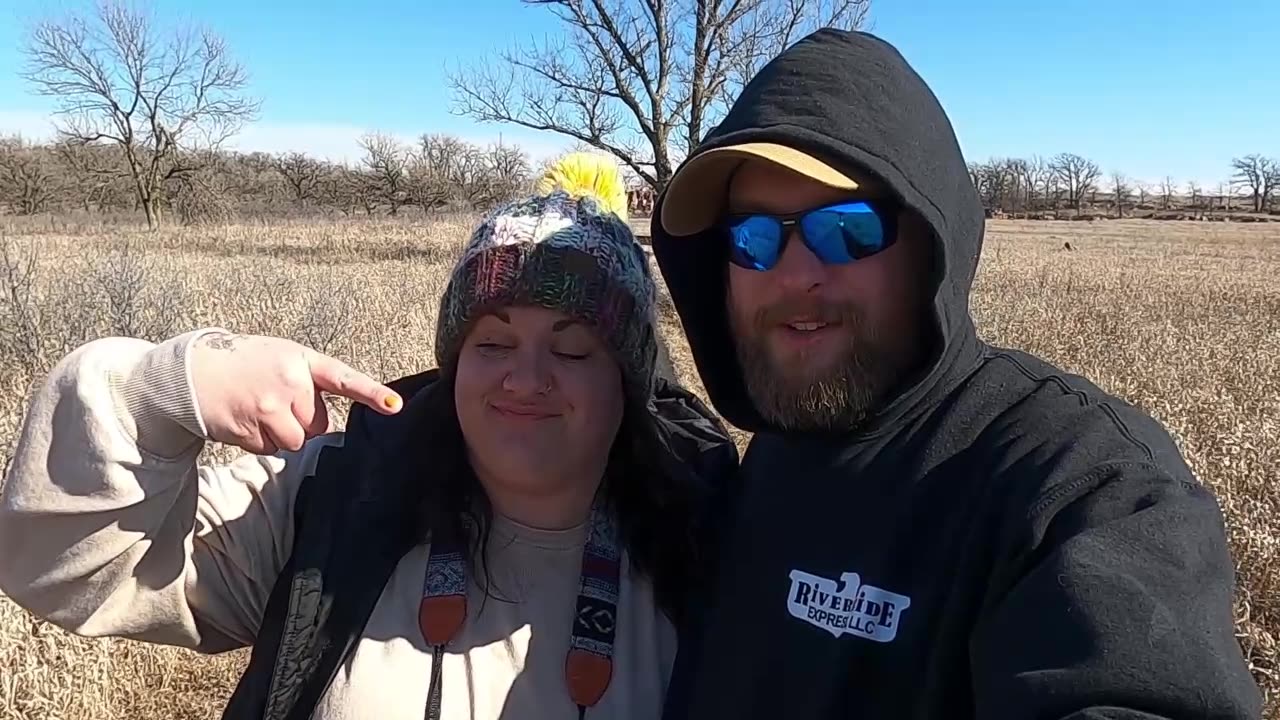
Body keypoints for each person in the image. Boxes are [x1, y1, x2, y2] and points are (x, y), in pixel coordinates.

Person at [649, 29, 1263, 719]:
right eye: (752, 238)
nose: (795, 275)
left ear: (931, 239)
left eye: (846, 229)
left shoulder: (1077, 489)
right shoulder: (771, 461)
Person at [0, 154, 737, 720]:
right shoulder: (332, 499)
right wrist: (163, 390)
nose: (524, 378)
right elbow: (65, 570)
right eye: (491, 344)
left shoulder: (717, 547)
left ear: (631, 384)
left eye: (573, 349)